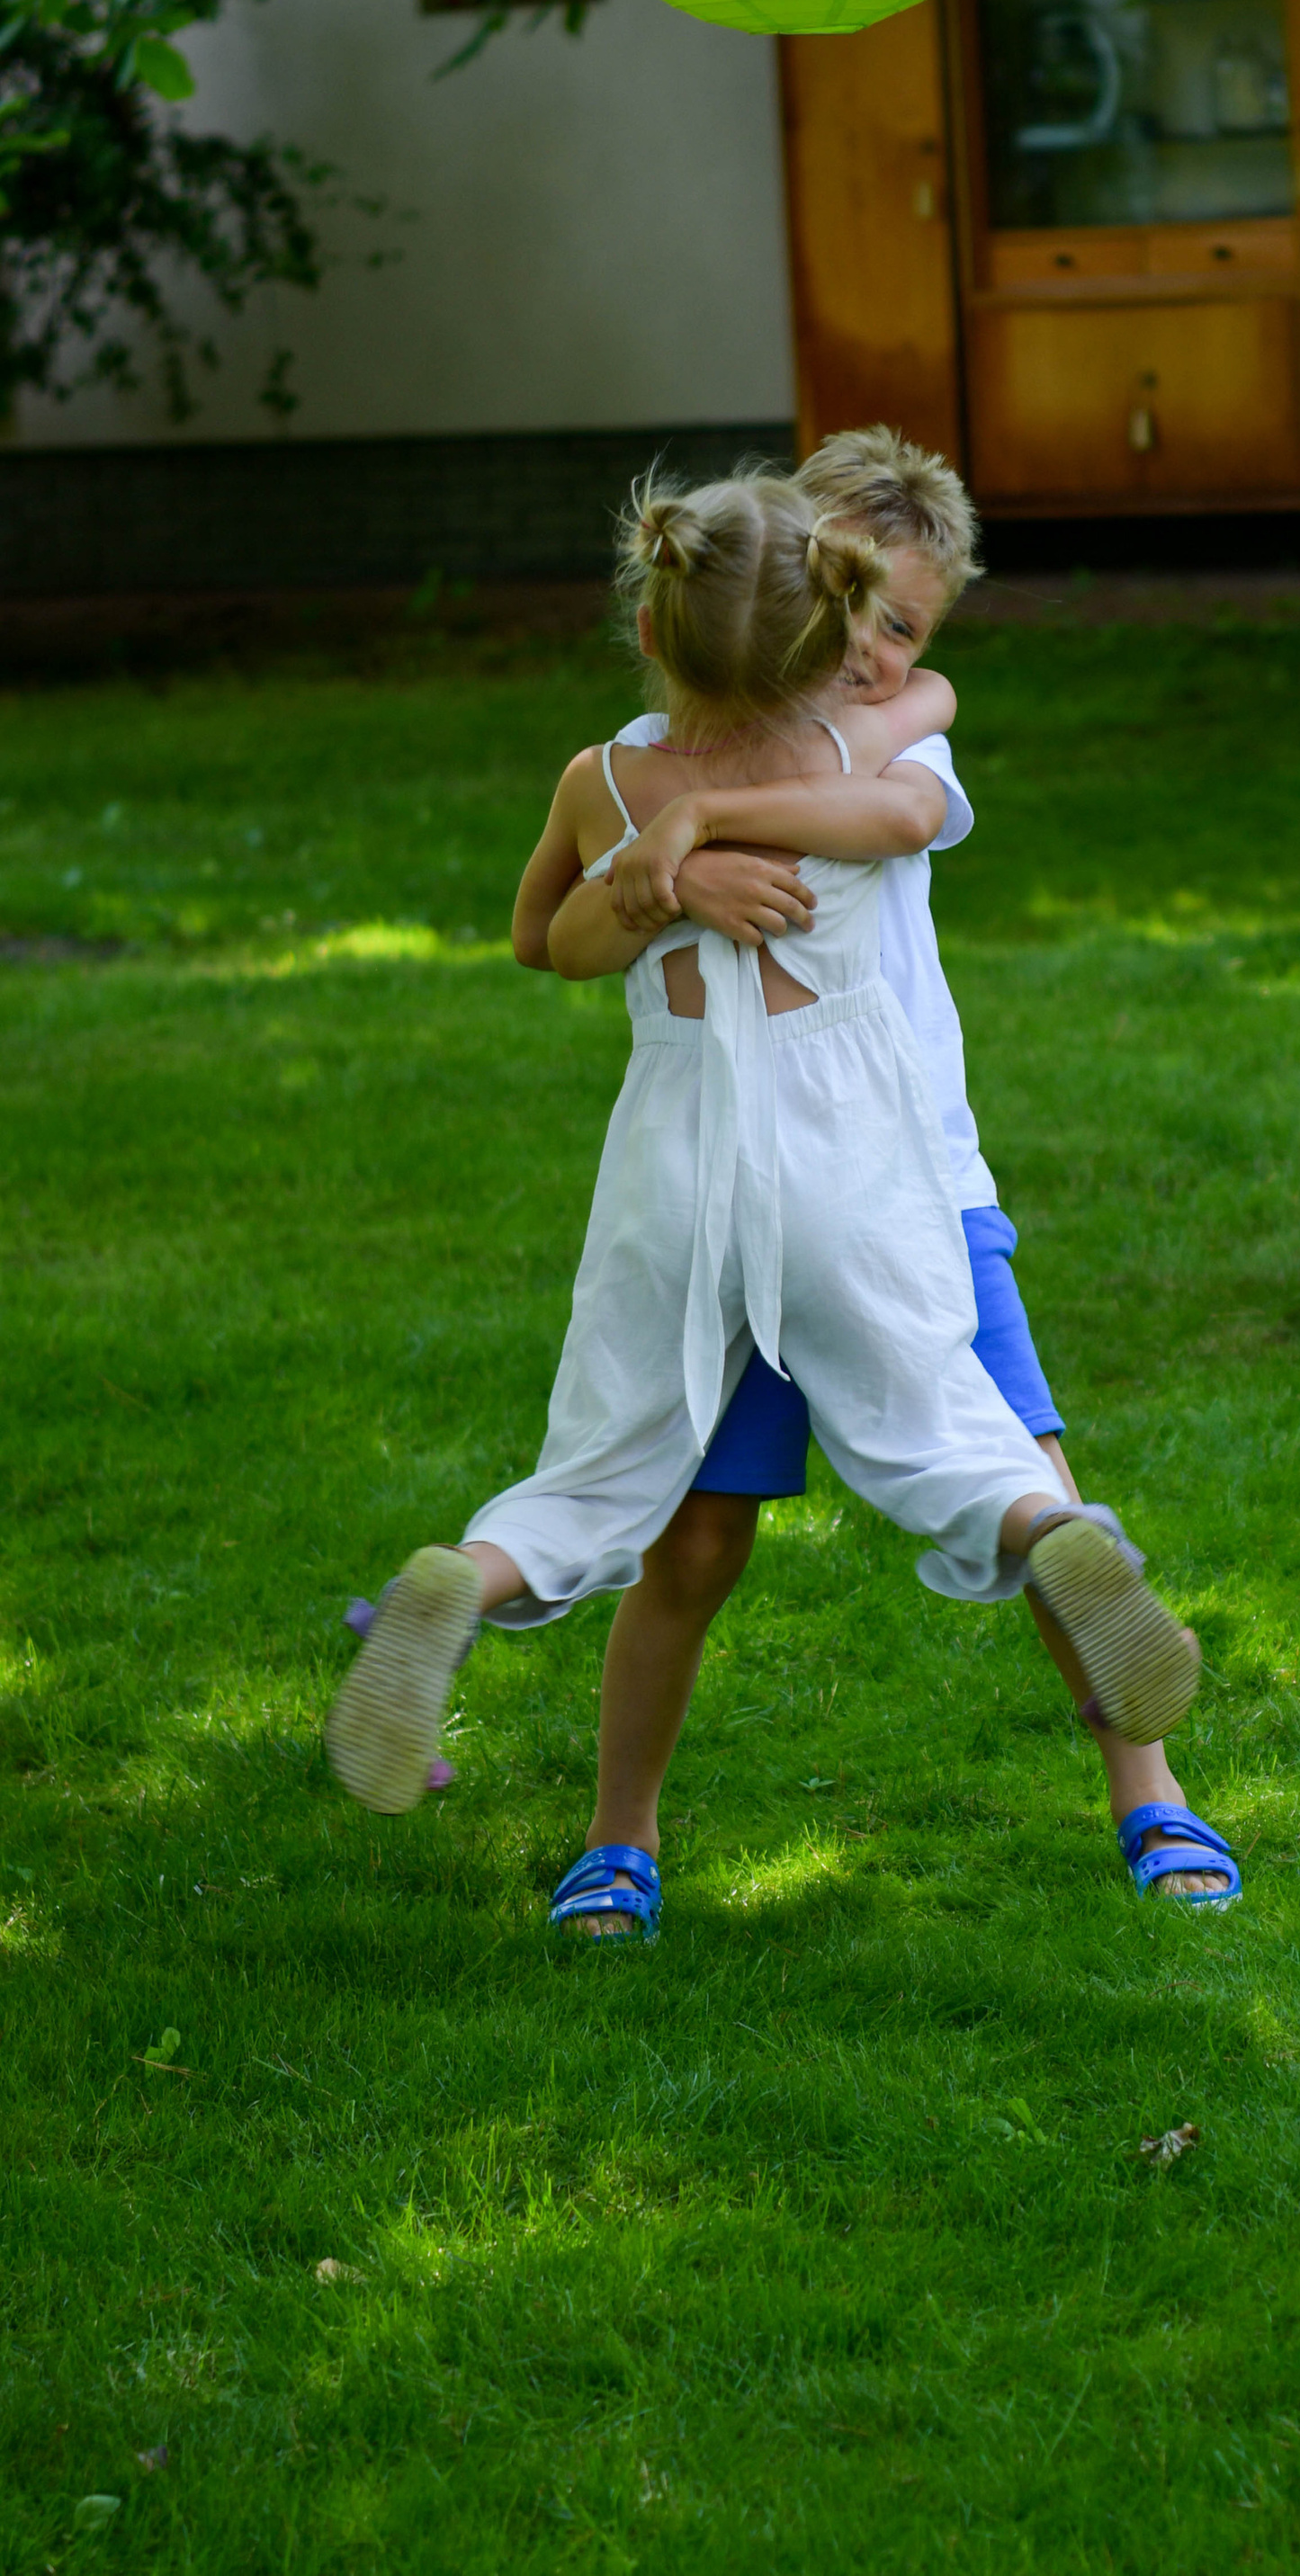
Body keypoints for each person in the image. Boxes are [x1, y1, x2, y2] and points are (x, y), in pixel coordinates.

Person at [324, 470, 1203, 1932]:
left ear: (653, 628)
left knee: (611, 1464)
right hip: (852, 1163)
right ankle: (1036, 1530)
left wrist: (663, 852)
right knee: (941, 1422)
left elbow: (544, 942)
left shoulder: (601, 779)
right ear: (826, 635)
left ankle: (471, 1578)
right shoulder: (849, 752)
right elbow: (919, 760)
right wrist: (697, 861)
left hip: (675, 1172)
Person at [551, 425, 1239, 1923]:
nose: (874, 656)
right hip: (732, 1209)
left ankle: (1152, 1790)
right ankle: (620, 1835)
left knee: (1033, 1491)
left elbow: (903, 781)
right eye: (854, 612)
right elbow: (564, 930)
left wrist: (700, 827)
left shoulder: (890, 740)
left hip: (919, 1194)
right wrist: (670, 861)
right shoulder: (656, 752)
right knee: (693, 1542)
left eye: (906, 630)